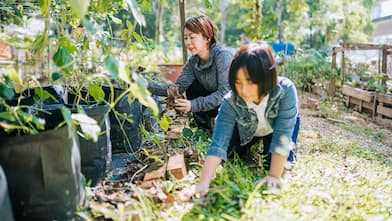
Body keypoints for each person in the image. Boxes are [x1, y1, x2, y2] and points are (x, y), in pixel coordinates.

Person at [179, 41, 299, 200]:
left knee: (276, 164)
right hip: (247, 128)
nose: (243, 90)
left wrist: (274, 177)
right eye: (238, 82)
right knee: (229, 156)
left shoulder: (285, 90)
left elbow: (282, 137)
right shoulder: (231, 101)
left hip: (274, 130)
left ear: (265, 78)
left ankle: (281, 155)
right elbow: (218, 143)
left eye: (249, 82)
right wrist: (203, 182)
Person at [148, 15, 233, 130]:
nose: (188, 42)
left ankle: (221, 129)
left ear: (207, 38)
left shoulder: (223, 56)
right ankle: (204, 130)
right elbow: (177, 88)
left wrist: (193, 105)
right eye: (185, 38)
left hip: (231, 106)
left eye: (192, 37)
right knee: (192, 85)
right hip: (211, 103)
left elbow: (225, 93)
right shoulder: (193, 62)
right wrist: (147, 85)